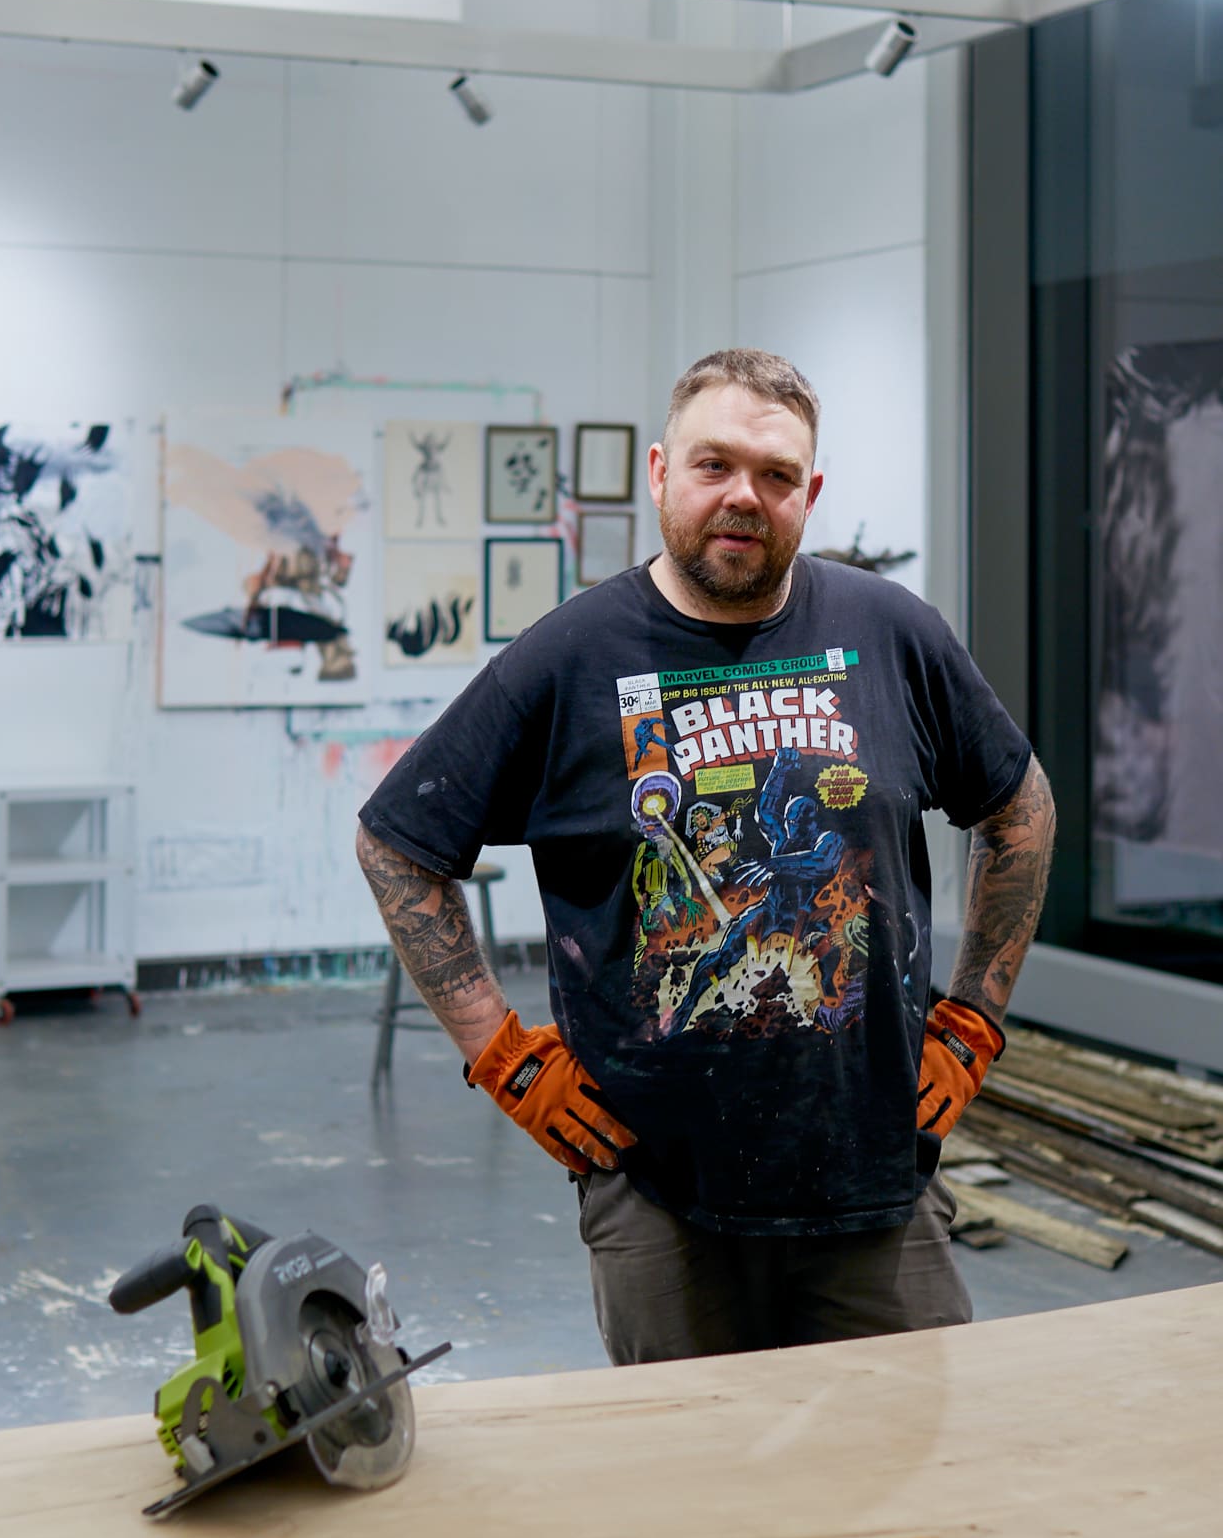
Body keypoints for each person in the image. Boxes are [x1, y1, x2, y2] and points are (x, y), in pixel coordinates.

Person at [356, 349, 1055, 1363]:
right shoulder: (569, 656)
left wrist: (973, 1021)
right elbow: (397, 841)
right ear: (658, 474)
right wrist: (502, 1058)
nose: (743, 497)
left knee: (919, 1484)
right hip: (655, 1191)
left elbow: (1018, 809)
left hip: (874, 1176)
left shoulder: (891, 634)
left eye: (775, 476)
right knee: (687, 1497)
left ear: (808, 494)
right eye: (713, 465)